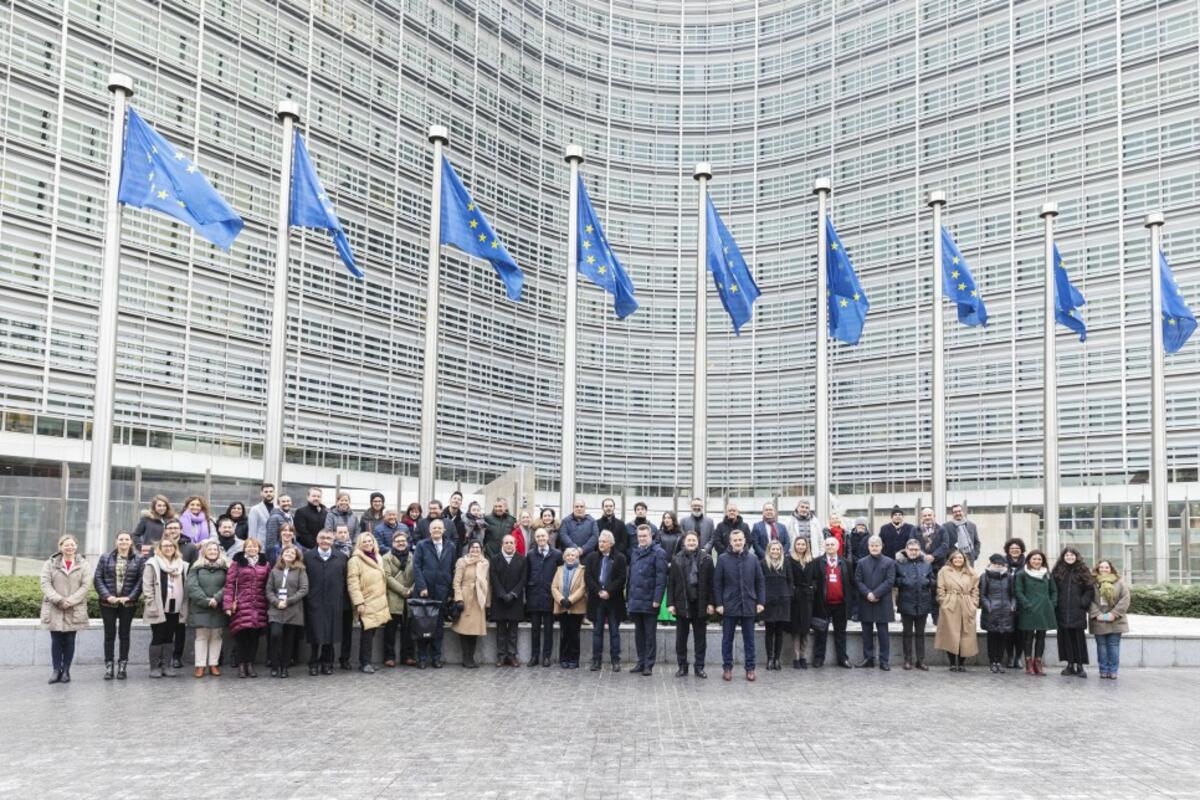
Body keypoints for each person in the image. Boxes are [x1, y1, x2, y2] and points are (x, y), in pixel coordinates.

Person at [714, 529, 765, 681]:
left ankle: (750, 668)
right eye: (735, 540)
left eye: (740, 540)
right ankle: (727, 668)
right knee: (727, 640)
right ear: (730, 542)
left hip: (749, 604)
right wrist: (719, 603)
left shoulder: (753, 559)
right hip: (729, 605)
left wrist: (761, 601)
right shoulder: (722, 559)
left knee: (749, 640)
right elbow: (717, 583)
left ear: (744, 541)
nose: (738, 542)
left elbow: (760, 582)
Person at [39, 534, 89, 684]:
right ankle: (56, 670)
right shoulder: (50, 564)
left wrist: (70, 601)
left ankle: (66, 670)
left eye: (72, 544)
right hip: (54, 606)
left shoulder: (83, 564)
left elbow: (86, 586)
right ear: (60, 547)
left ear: (76, 546)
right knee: (56, 640)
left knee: (69, 640)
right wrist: (59, 600)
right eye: (66, 545)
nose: (69, 547)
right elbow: (45, 584)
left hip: (74, 607)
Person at [95, 530, 142, 680]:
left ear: (131, 542)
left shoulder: (139, 559)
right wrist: (107, 596)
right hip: (107, 603)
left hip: (128, 604)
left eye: (126, 539)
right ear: (116, 541)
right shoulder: (105, 558)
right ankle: (109, 667)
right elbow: (98, 578)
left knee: (124, 635)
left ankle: (122, 666)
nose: (124, 542)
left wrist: (130, 597)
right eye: (121, 539)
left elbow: (141, 581)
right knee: (109, 635)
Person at [412, 519, 457, 668]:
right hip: (425, 592)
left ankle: (436, 658)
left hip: (442, 591)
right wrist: (422, 587)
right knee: (423, 626)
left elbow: (453, 569)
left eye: (439, 528)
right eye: (434, 528)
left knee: (438, 627)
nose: (437, 530)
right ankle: (422, 658)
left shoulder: (451, 546)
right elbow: (416, 567)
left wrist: (450, 591)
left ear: (444, 530)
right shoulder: (422, 545)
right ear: (429, 530)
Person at [666, 531, 712, 678]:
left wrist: (711, 603)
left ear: (698, 542)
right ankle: (682, 666)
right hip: (682, 604)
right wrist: (670, 604)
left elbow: (712, 583)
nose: (691, 543)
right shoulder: (676, 559)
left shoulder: (706, 558)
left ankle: (699, 667)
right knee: (681, 639)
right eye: (689, 540)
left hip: (700, 604)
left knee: (700, 639)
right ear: (684, 542)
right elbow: (671, 583)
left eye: (694, 540)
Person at [142, 538, 189, 678]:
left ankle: (166, 666)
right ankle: (154, 668)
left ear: (175, 548)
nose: (168, 548)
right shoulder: (152, 563)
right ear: (160, 548)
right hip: (158, 606)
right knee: (158, 636)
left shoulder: (183, 565)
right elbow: (147, 586)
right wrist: (151, 603)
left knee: (169, 636)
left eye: (171, 546)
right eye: (165, 546)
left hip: (176, 606)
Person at [304, 530, 348, 675]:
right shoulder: (308, 557)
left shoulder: (341, 557)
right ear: (317, 539)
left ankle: (327, 663)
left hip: (334, 602)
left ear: (333, 541)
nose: (325, 540)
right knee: (315, 635)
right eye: (322, 538)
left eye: (328, 538)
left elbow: (345, 580)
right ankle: (313, 663)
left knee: (330, 634)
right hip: (314, 601)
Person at [225, 537, 269, 678]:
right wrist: (228, 604)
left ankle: (250, 664)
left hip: (259, 605)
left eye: (254, 546)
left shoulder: (265, 564)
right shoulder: (237, 563)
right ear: (244, 548)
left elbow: (269, 585)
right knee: (241, 637)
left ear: (259, 549)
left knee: (254, 638)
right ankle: (241, 665)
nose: (252, 548)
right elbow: (230, 584)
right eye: (249, 546)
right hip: (241, 605)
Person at [627, 524, 668, 676]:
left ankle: (649, 664)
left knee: (650, 635)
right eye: (640, 536)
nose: (642, 539)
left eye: (645, 536)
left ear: (651, 536)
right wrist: (628, 598)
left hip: (650, 600)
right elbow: (631, 577)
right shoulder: (635, 552)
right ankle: (640, 662)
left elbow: (661, 578)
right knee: (639, 634)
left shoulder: (659, 553)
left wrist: (657, 599)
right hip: (636, 600)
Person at [346, 532, 389, 673]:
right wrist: (359, 602)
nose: (368, 544)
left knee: (372, 632)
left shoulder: (378, 557)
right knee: (367, 633)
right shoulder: (355, 560)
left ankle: (367, 661)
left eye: (370, 541)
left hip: (378, 600)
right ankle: (364, 663)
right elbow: (353, 583)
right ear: (360, 544)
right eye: (365, 541)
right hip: (366, 601)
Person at [584, 530, 626, 671]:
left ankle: (615, 661)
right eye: (600, 541)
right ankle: (596, 660)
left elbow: (621, 578)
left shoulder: (620, 558)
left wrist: (609, 591)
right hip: (597, 600)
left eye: (604, 542)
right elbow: (588, 577)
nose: (601, 544)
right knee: (597, 631)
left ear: (611, 543)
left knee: (614, 632)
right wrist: (599, 591)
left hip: (614, 600)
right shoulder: (592, 557)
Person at [185, 539, 228, 678]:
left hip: (218, 606)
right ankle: (200, 665)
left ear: (219, 552)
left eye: (215, 549)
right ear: (204, 552)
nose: (213, 552)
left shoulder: (226, 567)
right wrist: (205, 601)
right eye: (210, 549)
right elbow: (192, 586)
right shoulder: (195, 567)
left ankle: (214, 664)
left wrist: (217, 598)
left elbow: (229, 585)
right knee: (201, 636)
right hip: (200, 606)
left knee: (216, 635)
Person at [809, 536, 853, 669]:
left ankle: (842, 658)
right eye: (827, 545)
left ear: (838, 546)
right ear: (824, 547)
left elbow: (851, 583)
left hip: (841, 604)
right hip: (822, 604)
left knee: (841, 633)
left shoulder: (846, 563)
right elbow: (812, 580)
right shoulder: (817, 562)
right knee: (820, 633)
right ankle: (818, 658)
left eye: (832, 544)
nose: (829, 547)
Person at [855, 535, 896, 670]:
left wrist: (876, 594)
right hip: (866, 600)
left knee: (883, 633)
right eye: (872, 546)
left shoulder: (889, 562)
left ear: (881, 546)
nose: (874, 548)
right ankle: (868, 658)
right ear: (868, 547)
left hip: (882, 601)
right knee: (866, 632)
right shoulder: (861, 562)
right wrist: (868, 593)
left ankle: (884, 660)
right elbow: (858, 580)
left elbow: (890, 581)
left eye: (876, 545)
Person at [1052, 546, 1095, 678]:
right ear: (1063, 557)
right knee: (1065, 639)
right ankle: (1070, 664)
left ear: (1076, 557)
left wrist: (1083, 602)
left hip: (1077, 611)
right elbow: (1053, 588)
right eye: (1067, 555)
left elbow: (1089, 589)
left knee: (1078, 639)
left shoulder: (1083, 570)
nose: (1069, 557)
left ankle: (1080, 666)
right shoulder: (1058, 571)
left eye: (1072, 555)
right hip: (1062, 611)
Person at [266, 544, 308, 678]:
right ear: (282, 554)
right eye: (286, 552)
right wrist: (276, 602)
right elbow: (269, 590)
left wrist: (288, 601)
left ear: (296, 556)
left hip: (293, 609)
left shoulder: (300, 570)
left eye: (292, 553)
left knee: (288, 640)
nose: (289, 554)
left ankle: (284, 667)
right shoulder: (274, 571)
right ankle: (275, 665)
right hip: (276, 609)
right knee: (275, 635)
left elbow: (304, 589)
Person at [935, 549, 979, 671]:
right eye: (956, 558)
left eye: (960, 558)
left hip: (966, 604)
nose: (958, 560)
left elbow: (975, 590)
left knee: (966, 635)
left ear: (964, 560)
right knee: (950, 634)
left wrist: (973, 603)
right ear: (951, 559)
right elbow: (940, 588)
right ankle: (952, 663)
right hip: (950, 604)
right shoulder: (944, 571)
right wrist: (943, 601)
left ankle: (961, 663)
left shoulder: (971, 572)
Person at [894, 538, 934, 670]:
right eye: (911, 549)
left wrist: (927, 582)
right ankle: (907, 660)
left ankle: (920, 660)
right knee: (907, 633)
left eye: (916, 550)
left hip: (923, 602)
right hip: (906, 603)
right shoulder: (899, 563)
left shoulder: (926, 563)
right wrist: (903, 581)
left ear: (919, 550)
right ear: (906, 549)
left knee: (920, 633)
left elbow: (933, 580)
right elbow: (893, 581)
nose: (913, 552)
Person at [1015, 549, 1055, 676]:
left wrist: (1052, 604)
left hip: (1044, 609)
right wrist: (1027, 605)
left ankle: (1038, 662)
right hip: (1029, 609)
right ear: (1029, 560)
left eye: (1039, 559)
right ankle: (1028, 663)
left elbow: (1054, 591)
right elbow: (1018, 591)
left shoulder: (1047, 574)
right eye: (1034, 559)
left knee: (1041, 637)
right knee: (1028, 637)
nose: (1037, 561)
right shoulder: (1022, 574)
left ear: (1043, 561)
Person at [525, 527, 562, 667]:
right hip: (534, 596)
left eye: (543, 536)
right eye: (538, 536)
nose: (541, 538)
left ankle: (546, 656)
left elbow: (559, 575)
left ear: (548, 538)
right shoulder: (530, 554)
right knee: (534, 630)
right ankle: (534, 656)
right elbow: (527, 574)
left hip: (549, 596)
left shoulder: (557, 554)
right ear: (535, 539)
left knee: (548, 629)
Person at [451, 541, 491, 668]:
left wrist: (487, 602)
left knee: (475, 630)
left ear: (481, 549)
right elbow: (456, 582)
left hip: (479, 598)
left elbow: (487, 582)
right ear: (468, 549)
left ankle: (471, 658)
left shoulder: (484, 563)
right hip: (465, 597)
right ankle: (466, 658)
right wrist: (459, 599)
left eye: (478, 547)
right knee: (464, 629)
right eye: (473, 547)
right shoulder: (462, 562)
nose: (475, 550)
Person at [489, 534, 526, 667]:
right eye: (506, 543)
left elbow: (523, 579)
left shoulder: (522, 559)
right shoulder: (495, 559)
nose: (509, 545)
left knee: (513, 631)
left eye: (511, 543)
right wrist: (502, 594)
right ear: (502, 545)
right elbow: (493, 578)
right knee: (500, 631)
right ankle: (501, 656)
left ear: (515, 544)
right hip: (500, 600)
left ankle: (512, 655)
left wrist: (513, 594)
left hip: (515, 600)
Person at [1089, 559, 1130, 680]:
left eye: (1106, 567)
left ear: (1111, 569)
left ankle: (1113, 671)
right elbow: (1088, 599)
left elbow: (1125, 599)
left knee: (1113, 645)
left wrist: (1114, 614)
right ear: (1097, 569)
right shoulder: (1092, 583)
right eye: (1101, 567)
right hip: (1098, 620)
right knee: (1101, 646)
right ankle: (1103, 670)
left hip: (1116, 620)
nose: (1104, 569)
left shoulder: (1120, 582)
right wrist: (1096, 614)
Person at [381, 531, 415, 667]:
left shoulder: (413, 557)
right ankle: (389, 657)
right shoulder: (386, 558)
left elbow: (418, 574)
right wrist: (403, 590)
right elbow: (387, 577)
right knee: (390, 630)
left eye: (403, 541)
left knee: (408, 630)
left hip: (409, 598)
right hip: (393, 597)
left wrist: (412, 589)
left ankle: (408, 656)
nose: (401, 543)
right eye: (398, 541)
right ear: (392, 543)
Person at [979, 553, 1017, 673]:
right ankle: (992, 662)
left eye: (1001, 564)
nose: (998, 566)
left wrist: (1012, 606)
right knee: (992, 638)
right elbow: (982, 595)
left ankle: (999, 662)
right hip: (991, 612)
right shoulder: (985, 576)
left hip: (1006, 612)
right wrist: (989, 606)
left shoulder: (1009, 577)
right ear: (991, 564)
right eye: (996, 564)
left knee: (1003, 638)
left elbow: (1013, 595)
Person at [551, 547, 587, 668]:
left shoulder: (582, 570)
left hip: (576, 607)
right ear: (564, 557)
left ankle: (574, 659)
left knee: (574, 634)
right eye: (568, 555)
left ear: (577, 557)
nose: (570, 557)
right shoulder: (559, 569)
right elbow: (554, 587)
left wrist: (571, 600)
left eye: (573, 555)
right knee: (564, 634)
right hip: (562, 606)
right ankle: (564, 658)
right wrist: (561, 599)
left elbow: (583, 587)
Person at [761, 539, 793, 671]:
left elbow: (790, 581)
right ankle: (769, 658)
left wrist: (788, 595)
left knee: (779, 632)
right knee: (769, 631)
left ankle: (777, 659)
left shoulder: (786, 563)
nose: (775, 551)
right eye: (773, 549)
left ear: (781, 551)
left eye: (778, 549)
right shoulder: (763, 563)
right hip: (768, 600)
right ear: (769, 550)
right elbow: (759, 582)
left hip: (782, 601)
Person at [916, 507, 949, 623]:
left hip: (938, 565)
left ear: (934, 516)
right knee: (922, 591)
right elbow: (912, 544)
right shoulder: (915, 530)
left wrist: (933, 556)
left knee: (937, 591)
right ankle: (922, 618)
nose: (927, 517)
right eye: (925, 515)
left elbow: (945, 545)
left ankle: (936, 617)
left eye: (929, 515)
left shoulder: (942, 529)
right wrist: (924, 556)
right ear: (921, 517)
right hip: (920, 564)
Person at [786, 536, 814, 669]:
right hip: (795, 598)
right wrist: (792, 591)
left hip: (807, 598)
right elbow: (788, 578)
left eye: (803, 544)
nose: (801, 546)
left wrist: (812, 588)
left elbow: (816, 578)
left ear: (806, 546)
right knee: (796, 630)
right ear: (794, 546)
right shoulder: (789, 560)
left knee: (805, 630)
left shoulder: (811, 560)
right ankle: (796, 658)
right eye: (798, 544)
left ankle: (803, 656)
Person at [1002, 537, 1027, 669]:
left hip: (1022, 603)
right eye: (1012, 548)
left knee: (1021, 632)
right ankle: (1010, 657)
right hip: (1006, 602)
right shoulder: (1002, 563)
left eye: (1017, 548)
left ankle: (1018, 657)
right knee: (1008, 632)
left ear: (1021, 550)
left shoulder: (1027, 563)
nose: (1015, 550)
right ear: (1008, 550)